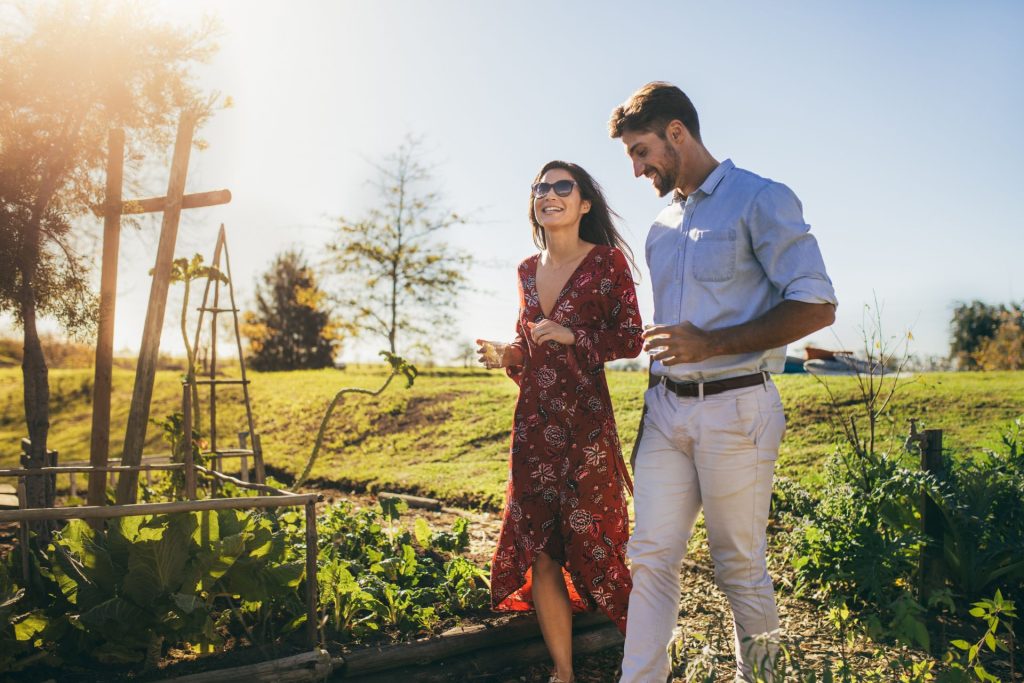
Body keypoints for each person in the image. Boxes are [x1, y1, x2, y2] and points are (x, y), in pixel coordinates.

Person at [607, 82, 838, 683]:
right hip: (665, 413)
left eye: (641, 151)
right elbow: (666, 340)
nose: (636, 169)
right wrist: (650, 408)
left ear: (677, 132)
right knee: (650, 557)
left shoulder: (760, 199)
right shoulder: (660, 227)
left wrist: (709, 344)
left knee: (738, 563)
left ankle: (761, 678)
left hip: (738, 408)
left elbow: (816, 305)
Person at [477, 160, 643, 683]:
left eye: (561, 187)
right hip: (533, 430)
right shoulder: (527, 270)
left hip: (587, 429)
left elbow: (633, 337)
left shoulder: (608, 263)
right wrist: (508, 353)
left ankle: (648, 657)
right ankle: (564, 674)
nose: (549, 194)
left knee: (595, 544)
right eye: (540, 188)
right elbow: (531, 349)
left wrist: (578, 339)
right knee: (541, 552)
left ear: (584, 203)